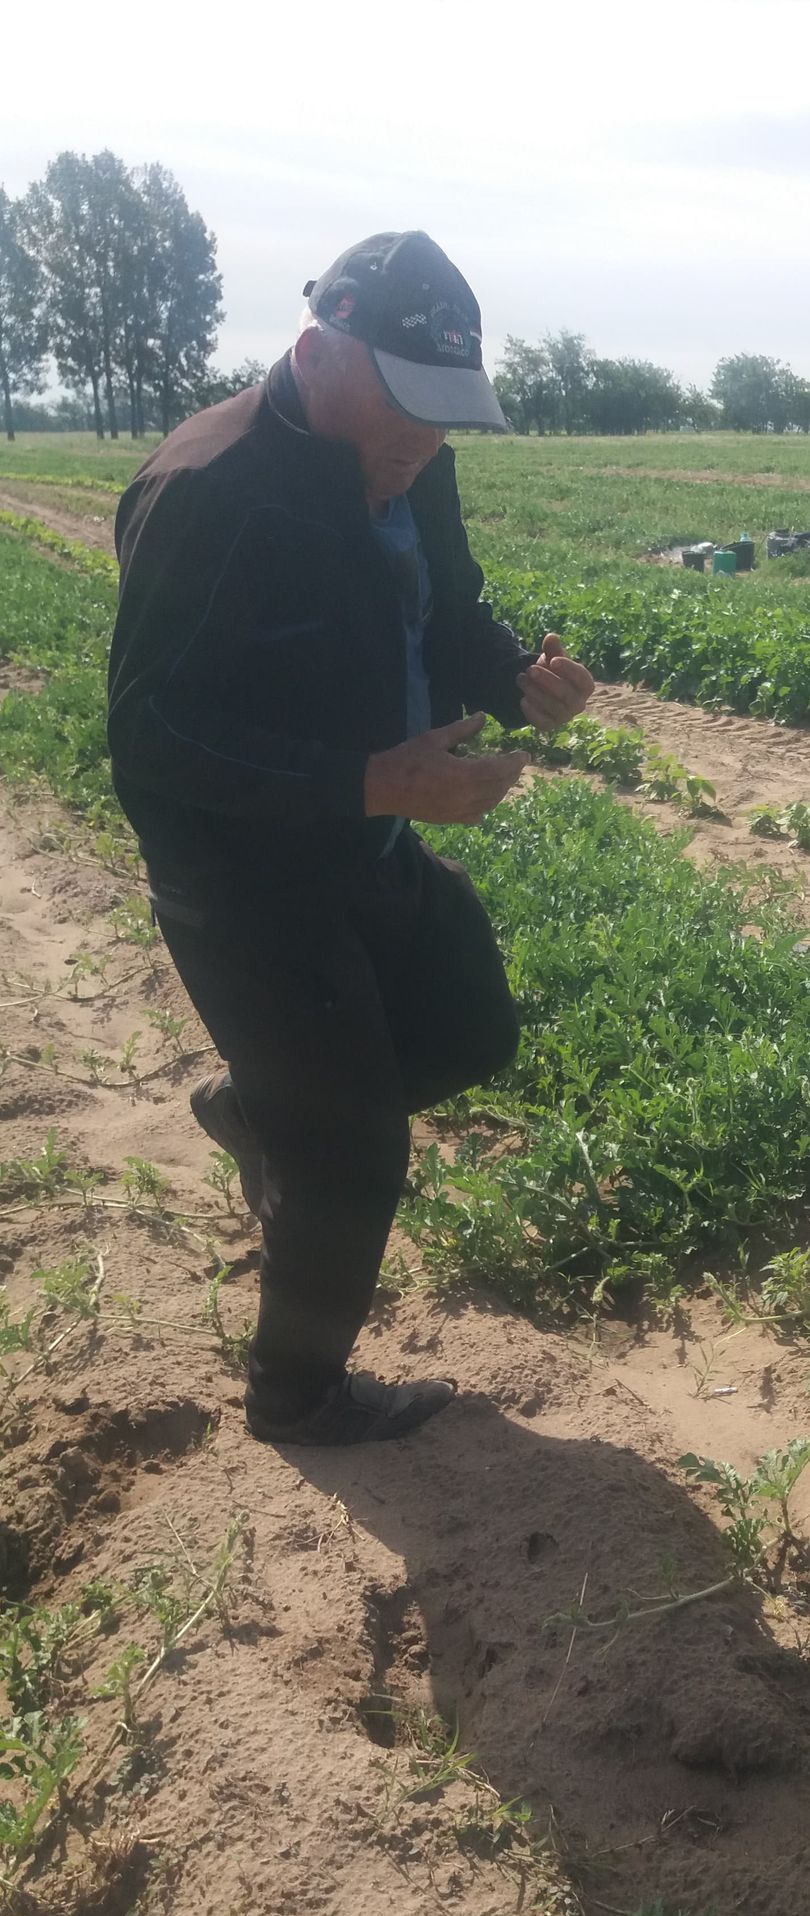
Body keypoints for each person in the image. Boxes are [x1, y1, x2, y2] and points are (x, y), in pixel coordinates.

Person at [106, 231, 596, 1447]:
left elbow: (446, 610)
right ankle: (297, 1392)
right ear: (319, 352)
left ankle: (256, 1105)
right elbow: (153, 736)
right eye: (407, 402)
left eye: (446, 411)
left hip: (366, 837)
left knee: (469, 1023)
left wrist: (514, 673)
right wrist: (369, 779)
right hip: (242, 878)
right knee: (351, 1150)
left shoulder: (410, 462)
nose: (426, 437)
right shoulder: (210, 489)